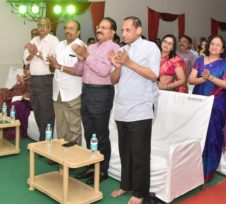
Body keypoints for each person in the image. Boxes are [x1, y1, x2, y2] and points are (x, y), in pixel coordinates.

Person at [108, 16, 161, 204]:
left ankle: (139, 193)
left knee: (139, 153)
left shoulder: (151, 47)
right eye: (122, 30)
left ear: (138, 30)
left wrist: (129, 62)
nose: (123, 33)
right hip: (122, 107)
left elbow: (154, 74)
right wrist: (116, 67)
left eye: (128, 29)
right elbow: (114, 80)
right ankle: (125, 185)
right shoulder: (122, 50)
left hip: (140, 108)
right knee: (125, 151)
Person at [188, 35, 226, 182]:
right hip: (199, 101)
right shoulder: (200, 60)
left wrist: (211, 77)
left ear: (223, 49)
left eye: (218, 45)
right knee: (196, 133)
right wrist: (203, 79)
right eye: (212, 44)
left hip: (216, 104)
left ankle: (208, 169)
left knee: (211, 135)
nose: (214, 47)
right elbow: (191, 79)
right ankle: (193, 166)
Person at [73, 17, 120, 185]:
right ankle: (91, 165)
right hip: (86, 91)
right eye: (99, 27)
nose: (99, 29)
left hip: (101, 93)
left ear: (112, 32)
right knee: (88, 131)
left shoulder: (115, 48)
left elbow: (104, 71)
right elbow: (79, 71)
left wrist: (87, 57)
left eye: (104, 27)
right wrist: (80, 58)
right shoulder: (90, 47)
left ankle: (102, 169)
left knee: (100, 133)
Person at [23, 17, 59, 141]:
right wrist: (32, 53)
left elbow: (51, 60)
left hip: (46, 80)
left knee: (47, 113)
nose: (41, 28)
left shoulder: (53, 40)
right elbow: (25, 58)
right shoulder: (34, 39)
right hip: (33, 80)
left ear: (49, 27)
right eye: (39, 25)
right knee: (37, 110)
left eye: (44, 25)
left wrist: (36, 52)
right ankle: (43, 139)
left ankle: (47, 142)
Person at [49, 20, 83, 145]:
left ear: (78, 32)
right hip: (57, 91)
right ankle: (60, 156)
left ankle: (74, 160)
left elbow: (80, 71)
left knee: (74, 127)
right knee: (60, 125)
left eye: (72, 28)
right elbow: (52, 67)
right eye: (66, 28)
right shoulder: (59, 45)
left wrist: (58, 66)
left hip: (72, 92)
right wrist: (51, 64)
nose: (68, 31)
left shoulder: (81, 47)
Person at [0, 65, 32, 139]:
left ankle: (13, 132)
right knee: (2, 93)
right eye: (24, 68)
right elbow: (13, 90)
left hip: (27, 101)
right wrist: (17, 83)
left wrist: (23, 83)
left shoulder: (34, 79)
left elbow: (29, 93)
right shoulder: (23, 78)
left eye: (27, 69)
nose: (25, 71)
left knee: (15, 105)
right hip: (17, 96)